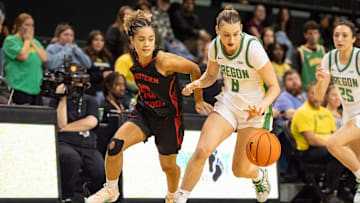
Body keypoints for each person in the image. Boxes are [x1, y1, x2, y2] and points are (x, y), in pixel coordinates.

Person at [86, 10, 212, 203]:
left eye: (150, 39)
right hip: (144, 111)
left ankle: (172, 196)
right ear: (132, 42)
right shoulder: (131, 59)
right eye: (142, 39)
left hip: (168, 118)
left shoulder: (164, 60)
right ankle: (111, 189)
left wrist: (198, 99)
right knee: (114, 146)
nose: (146, 44)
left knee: (168, 167)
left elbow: (195, 69)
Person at [175, 6, 280, 203]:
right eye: (226, 35)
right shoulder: (215, 46)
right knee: (201, 151)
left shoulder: (252, 48)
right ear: (217, 31)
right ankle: (180, 198)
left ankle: (258, 176)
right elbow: (211, 76)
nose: (231, 40)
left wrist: (263, 105)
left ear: (242, 29)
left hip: (254, 111)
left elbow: (274, 87)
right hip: (228, 104)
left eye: (235, 34)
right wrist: (197, 83)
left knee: (240, 170)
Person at [315, 20, 360, 202]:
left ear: (354, 39)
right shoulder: (329, 58)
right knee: (357, 157)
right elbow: (319, 97)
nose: (339, 39)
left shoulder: (358, 58)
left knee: (334, 143)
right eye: (336, 35)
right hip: (348, 111)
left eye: (345, 35)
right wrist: (320, 80)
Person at [291, 81, 344, 200]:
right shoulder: (303, 112)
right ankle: (330, 190)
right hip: (307, 152)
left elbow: (334, 134)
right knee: (337, 153)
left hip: (326, 148)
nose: (316, 97)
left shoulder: (326, 112)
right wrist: (335, 145)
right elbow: (311, 140)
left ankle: (346, 188)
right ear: (308, 95)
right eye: (313, 93)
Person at [53, 83, 105, 203]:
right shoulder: (56, 100)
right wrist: (62, 99)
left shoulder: (90, 100)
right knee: (71, 158)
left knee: (100, 169)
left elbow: (91, 122)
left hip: (87, 145)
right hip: (65, 142)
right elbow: (61, 122)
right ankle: (66, 196)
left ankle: (88, 192)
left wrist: (65, 127)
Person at [2, 13, 47, 105]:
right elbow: (22, 56)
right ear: (19, 26)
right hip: (18, 88)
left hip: (36, 89)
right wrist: (27, 41)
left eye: (32, 25)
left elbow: (44, 58)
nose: (30, 28)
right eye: (27, 25)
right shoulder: (10, 41)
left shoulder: (35, 42)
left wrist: (31, 42)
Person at [292, 20, 325, 91]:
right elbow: (295, 73)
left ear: (319, 35)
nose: (313, 36)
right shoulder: (299, 52)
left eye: (315, 33)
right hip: (306, 91)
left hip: (321, 90)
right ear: (305, 35)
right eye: (310, 33)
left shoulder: (323, 50)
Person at [83, 30, 114, 105]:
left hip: (106, 91)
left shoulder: (107, 57)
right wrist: (101, 75)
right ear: (90, 42)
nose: (99, 43)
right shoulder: (85, 56)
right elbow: (85, 76)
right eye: (96, 40)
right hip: (91, 91)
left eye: (101, 40)